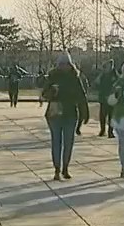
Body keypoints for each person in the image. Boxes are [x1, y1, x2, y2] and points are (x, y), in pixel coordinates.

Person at [39, 52, 86, 181]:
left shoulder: (75, 78)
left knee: (68, 142)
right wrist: (52, 91)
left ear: (70, 65)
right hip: (54, 113)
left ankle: (65, 167)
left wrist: (84, 113)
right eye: (61, 64)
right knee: (56, 142)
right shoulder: (53, 76)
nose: (63, 66)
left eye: (66, 64)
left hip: (70, 113)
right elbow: (44, 94)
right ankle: (57, 168)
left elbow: (81, 96)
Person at [96, 60, 119, 138]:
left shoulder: (115, 75)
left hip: (112, 98)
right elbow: (98, 84)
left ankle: (110, 132)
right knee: (102, 115)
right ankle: (102, 130)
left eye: (111, 65)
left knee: (111, 116)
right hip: (103, 98)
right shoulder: (102, 75)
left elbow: (117, 85)